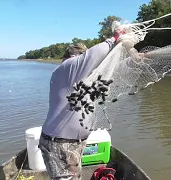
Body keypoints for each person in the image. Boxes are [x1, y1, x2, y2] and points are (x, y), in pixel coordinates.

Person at [38, 29, 125, 180]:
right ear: (74, 57)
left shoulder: (78, 78)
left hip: (71, 143)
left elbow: (113, 70)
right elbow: (94, 54)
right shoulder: (69, 67)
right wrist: (115, 38)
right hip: (60, 143)